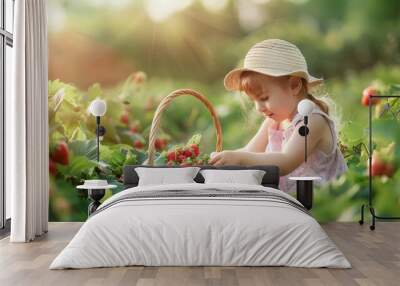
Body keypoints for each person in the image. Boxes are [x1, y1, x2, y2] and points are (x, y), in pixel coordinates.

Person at [208, 39, 348, 193]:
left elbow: (286, 161)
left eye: (264, 98)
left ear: (294, 85)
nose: (258, 108)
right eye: (254, 101)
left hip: (324, 203)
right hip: (292, 202)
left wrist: (239, 158)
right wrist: (224, 159)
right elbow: (250, 150)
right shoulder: (273, 122)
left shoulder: (312, 120)